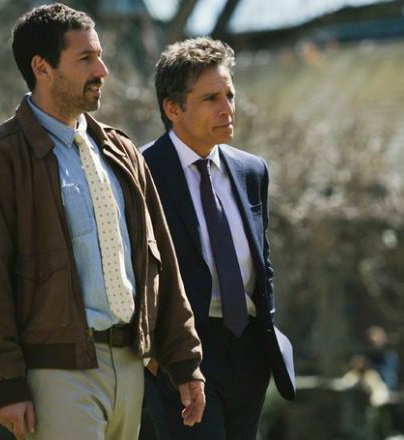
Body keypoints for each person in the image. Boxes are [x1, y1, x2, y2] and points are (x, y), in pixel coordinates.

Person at [0, 4, 205, 439]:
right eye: (86, 58)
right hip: (56, 377)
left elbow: (160, 260)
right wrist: (3, 384)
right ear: (42, 68)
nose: (102, 70)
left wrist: (184, 360)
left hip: (131, 368)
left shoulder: (123, 152)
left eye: (100, 56)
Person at [141, 37, 296, 439]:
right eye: (211, 98)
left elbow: (261, 263)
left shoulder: (252, 170)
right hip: (181, 352)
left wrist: (267, 334)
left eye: (229, 95)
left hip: (248, 351)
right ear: (173, 109)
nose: (227, 108)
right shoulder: (141, 172)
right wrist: (159, 356)